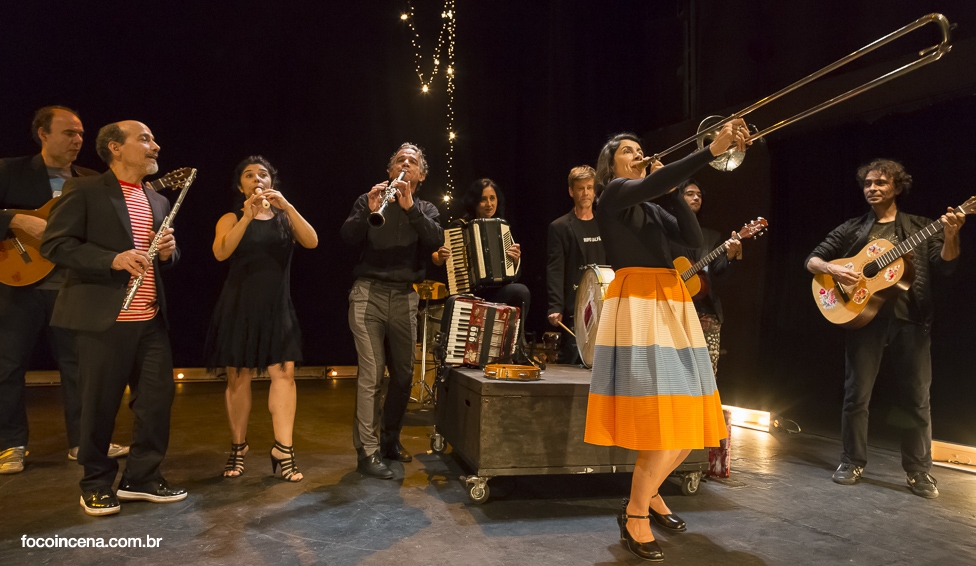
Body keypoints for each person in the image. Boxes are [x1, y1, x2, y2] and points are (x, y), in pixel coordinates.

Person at [585, 122, 748, 561]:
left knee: (689, 421)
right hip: (639, 304)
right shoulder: (613, 193)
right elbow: (651, 184)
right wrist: (709, 152)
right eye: (627, 151)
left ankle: (651, 495)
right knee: (663, 422)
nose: (637, 154)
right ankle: (635, 514)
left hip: (670, 303)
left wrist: (675, 193)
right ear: (610, 166)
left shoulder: (651, 207)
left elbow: (693, 239)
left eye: (639, 148)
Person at [41, 120, 186, 516]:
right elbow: (55, 244)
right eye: (145, 139)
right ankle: (95, 483)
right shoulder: (85, 189)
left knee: (156, 402)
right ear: (115, 147)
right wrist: (112, 259)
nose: (155, 146)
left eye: (153, 139)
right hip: (103, 319)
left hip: (149, 319)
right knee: (99, 406)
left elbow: (161, 258)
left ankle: (141, 477)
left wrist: (169, 253)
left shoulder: (157, 200)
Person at [805, 159, 965, 499]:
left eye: (880, 182)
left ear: (897, 187)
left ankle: (919, 471)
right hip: (864, 319)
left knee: (916, 399)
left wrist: (951, 235)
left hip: (912, 318)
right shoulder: (853, 228)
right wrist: (835, 269)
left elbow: (945, 266)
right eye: (868, 183)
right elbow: (813, 260)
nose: (872, 188)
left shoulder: (921, 227)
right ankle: (851, 461)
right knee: (856, 395)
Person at [0, 106, 128, 476]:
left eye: (81, 134)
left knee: (80, 368)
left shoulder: (91, 179)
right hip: (18, 281)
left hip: (71, 286)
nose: (77, 140)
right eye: (69, 133)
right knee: (8, 366)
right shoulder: (10, 170)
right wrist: (17, 219)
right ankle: (10, 444)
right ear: (42, 134)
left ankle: (83, 442)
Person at [205, 156, 318, 482]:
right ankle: (238, 447)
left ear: (272, 182)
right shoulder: (230, 218)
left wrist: (288, 207)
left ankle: (284, 449)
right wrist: (247, 216)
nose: (257, 179)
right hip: (239, 306)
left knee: (284, 375)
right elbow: (221, 252)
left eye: (263, 174)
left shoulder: (284, 218)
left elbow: (312, 241)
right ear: (240, 185)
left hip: (276, 307)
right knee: (238, 378)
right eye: (249, 175)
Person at [341, 143, 443, 479]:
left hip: (404, 296)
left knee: (403, 375)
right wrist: (367, 211)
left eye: (412, 161)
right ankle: (367, 452)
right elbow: (348, 237)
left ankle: (388, 439)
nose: (405, 164)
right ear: (390, 170)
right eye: (400, 160)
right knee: (372, 373)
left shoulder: (426, 208)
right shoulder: (369, 198)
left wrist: (411, 208)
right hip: (368, 293)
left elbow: (435, 240)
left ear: (421, 175)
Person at [433, 179, 530, 348]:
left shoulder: (502, 227)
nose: (489, 204)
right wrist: (441, 257)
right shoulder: (460, 227)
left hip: (496, 292)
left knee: (521, 291)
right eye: (483, 199)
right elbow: (437, 257)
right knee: (456, 300)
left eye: (492, 198)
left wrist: (515, 261)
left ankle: (514, 345)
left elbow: (513, 276)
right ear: (474, 202)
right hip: (469, 291)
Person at [668, 179, 741, 376]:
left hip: (706, 312)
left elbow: (718, 272)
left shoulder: (710, 237)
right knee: (673, 371)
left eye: (699, 195)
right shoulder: (667, 234)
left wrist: (730, 256)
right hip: (674, 310)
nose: (696, 198)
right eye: (690, 194)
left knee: (706, 373)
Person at [546, 165, 606, 364]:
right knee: (573, 363)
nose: (586, 193)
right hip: (576, 308)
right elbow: (556, 269)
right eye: (581, 188)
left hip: (605, 305)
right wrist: (555, 306)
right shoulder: (560, 227)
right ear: (571, 191)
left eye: (590, 187)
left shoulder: (605, 223)